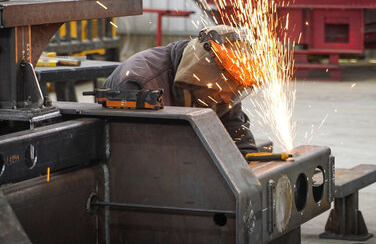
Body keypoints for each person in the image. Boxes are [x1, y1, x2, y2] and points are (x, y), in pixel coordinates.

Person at [104, 24, 267, 156]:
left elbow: (241, 146)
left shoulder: (222, 90)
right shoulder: (138, 84)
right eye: (223, 91)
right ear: (200, 75)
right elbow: (136, 161)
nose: (227, 99)